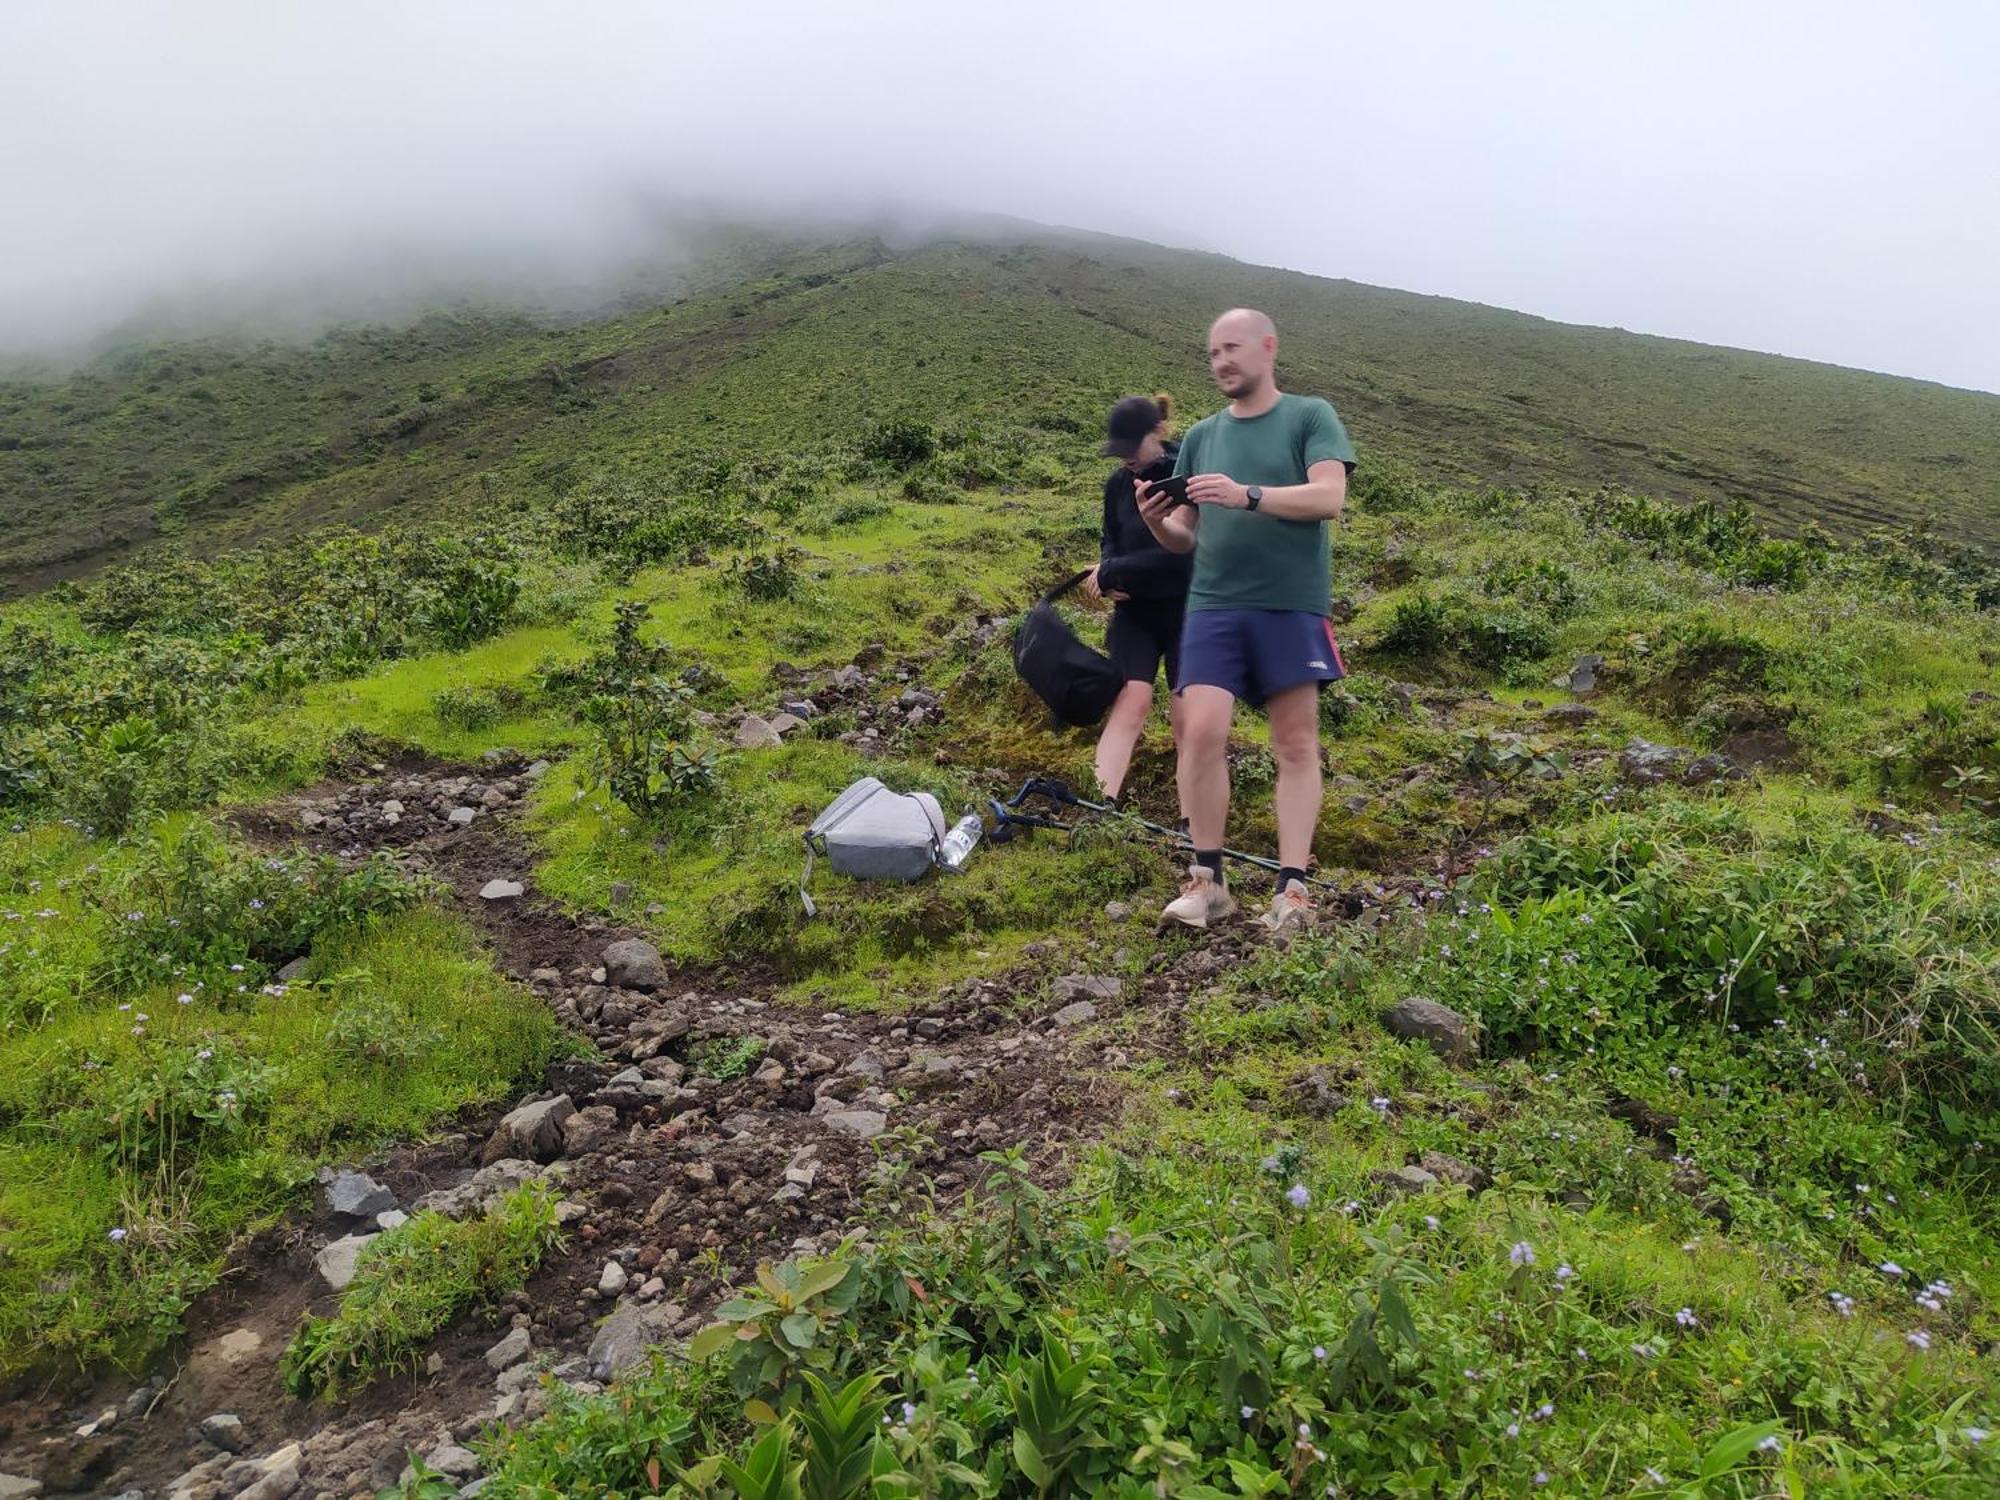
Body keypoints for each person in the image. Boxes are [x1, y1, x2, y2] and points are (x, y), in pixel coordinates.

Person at [1135, 308, 1355, 935]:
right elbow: (1186, 537)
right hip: (1212, 605)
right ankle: (1208, 883)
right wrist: (1157, 522)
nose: (1221, 361)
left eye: (1232, 347)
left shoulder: (1311, 416)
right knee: (1200, 731)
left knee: (1294, 742)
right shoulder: (1202, 434)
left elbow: (1329, 497)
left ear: (1267, 347)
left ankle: (1292, 890)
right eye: (1211, 353)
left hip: (1290, 603)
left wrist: (1247, 494)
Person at [1083, 394, 1192, 806]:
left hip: (1187, 611)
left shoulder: (1184, 477)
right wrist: (1108, 577)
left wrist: (1111, 571)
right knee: (1132, 699)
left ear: (1159, 432)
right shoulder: (1117, 484)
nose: (1126, 458)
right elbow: (1110, 539)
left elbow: (1180, 556)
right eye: (1120, 449)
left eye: (1133, 447)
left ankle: (1191, 819)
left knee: (1187, 713)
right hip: (1136, 612)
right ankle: (1101, 804)